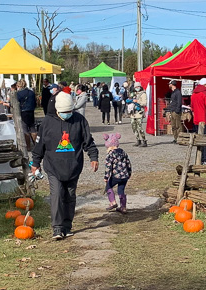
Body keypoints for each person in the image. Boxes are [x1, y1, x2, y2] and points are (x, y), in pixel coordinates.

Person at [30, 92, 98, 240]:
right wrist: (35, 163)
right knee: (57, 195)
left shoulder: (79, 120)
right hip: (53, 166)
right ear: (57, 110)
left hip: (73, 166)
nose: (67, 114)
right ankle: (57, 228)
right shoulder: (47, 122)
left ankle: (67, 226)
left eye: (69, 112)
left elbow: (88, 141)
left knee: (70, 196)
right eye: (64, 112)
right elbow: (39, 145)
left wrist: (93, 157)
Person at [102, 133, 132, 213]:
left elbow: (108, 166)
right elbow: (128, 163)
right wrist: (129, 173)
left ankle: (113, 202)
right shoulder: (123, 152)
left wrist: (106, 177)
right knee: (121, 190)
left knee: (108, 187)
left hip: (116, 176)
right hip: (125, 176)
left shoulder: (110, 154)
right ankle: (123, 207)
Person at [130, 82, 148, 147]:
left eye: (138, 87)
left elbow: (144, 103)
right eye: (135, 87)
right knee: (134, 127)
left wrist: (137, 101)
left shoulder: (143, 94)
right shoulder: (134, 94)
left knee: (140, 127)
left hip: (139, 112)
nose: (137, 88)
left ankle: (144, 140)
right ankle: (138, 140)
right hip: (133, 113)